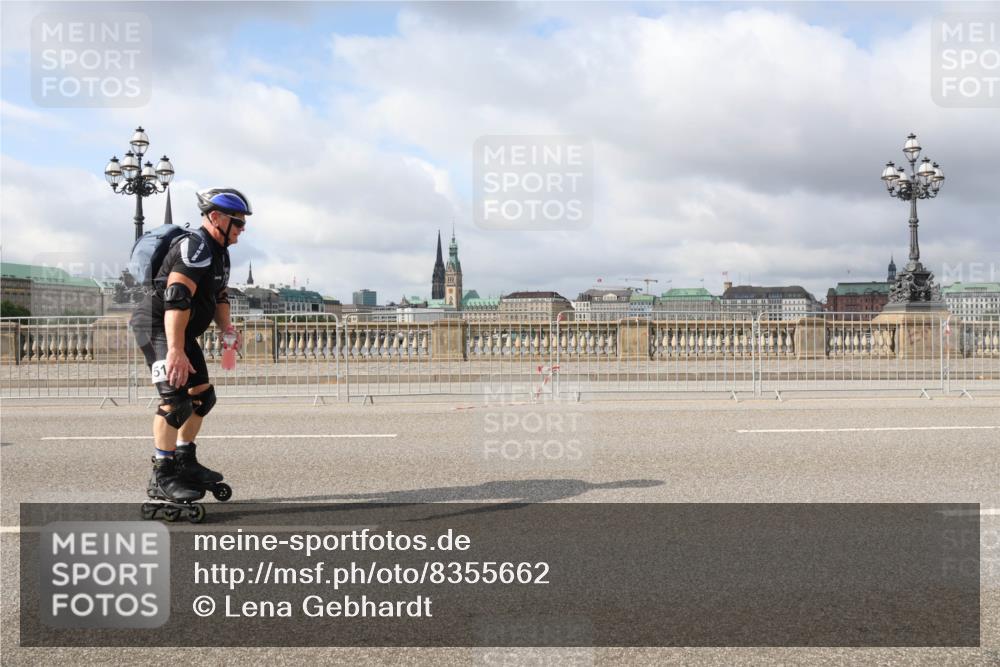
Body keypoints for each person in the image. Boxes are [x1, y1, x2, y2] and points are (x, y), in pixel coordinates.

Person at [130, 187, 250, 504]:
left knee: (202, 397)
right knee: (176, 400)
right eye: (237, 222)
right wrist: (174, 350)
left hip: (180, 333)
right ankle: (163, 473)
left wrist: (227, 329)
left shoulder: (220, 252)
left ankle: (185, 459)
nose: (242, 229)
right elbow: (176, 297)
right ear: (215, 218)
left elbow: (220, 295)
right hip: (157, 327)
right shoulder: (195, 248)